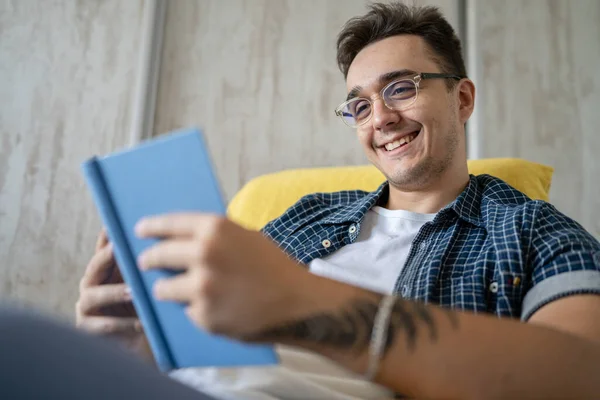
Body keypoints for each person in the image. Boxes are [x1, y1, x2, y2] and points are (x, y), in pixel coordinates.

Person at [75, 2, 600, 399]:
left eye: (401, 88)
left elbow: (581, 372)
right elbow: (213, 347)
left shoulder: (535, 232)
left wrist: (302, 300)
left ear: (461, 98)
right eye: (360, 105)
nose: (381, 119)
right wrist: (141, 345)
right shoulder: (307, 215)